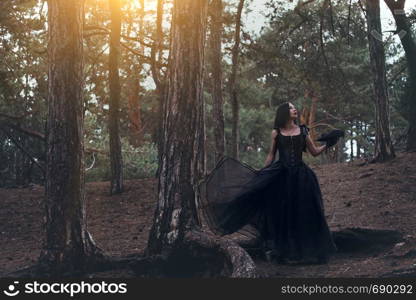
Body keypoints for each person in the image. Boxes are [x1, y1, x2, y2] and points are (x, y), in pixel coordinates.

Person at [201, 102, 340, 265]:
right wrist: (261, 175)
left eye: (294, 107)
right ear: (284, 113)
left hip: (302, 178)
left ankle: (316, 251)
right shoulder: (276, 133)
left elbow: (314, 152)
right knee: (283, 214)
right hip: (281, 176)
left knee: (307, 212)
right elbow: (271, 155)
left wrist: (328, 144)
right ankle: (284, 252)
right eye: (291, 108)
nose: (294, 109)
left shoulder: (303, 130)